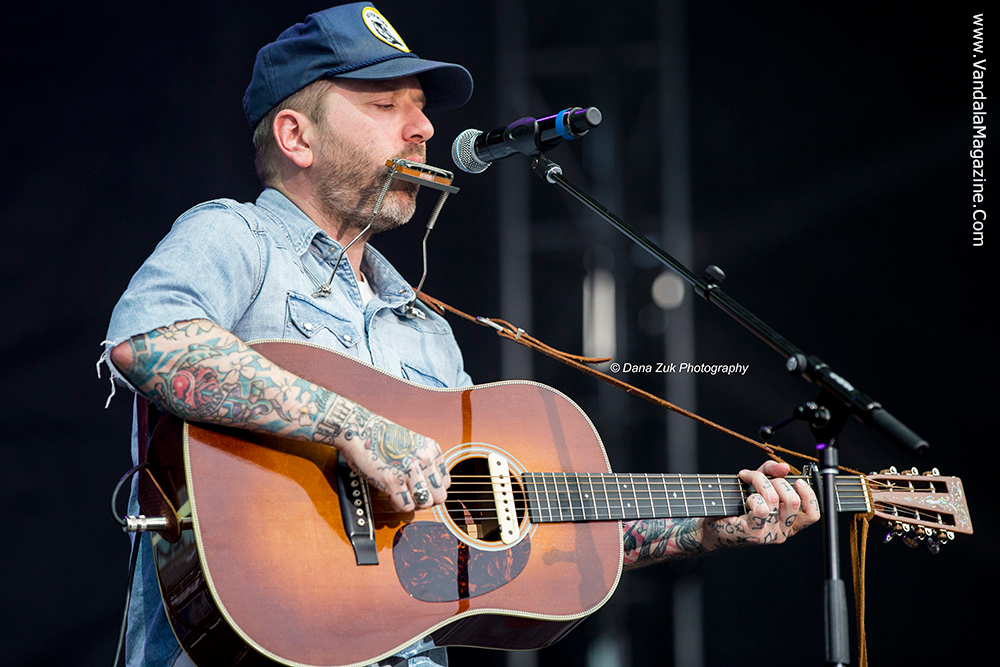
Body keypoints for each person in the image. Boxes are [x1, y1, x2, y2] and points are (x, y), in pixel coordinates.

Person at [102, 4, 819, 666]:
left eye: (420, 111)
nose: (422, 130)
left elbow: (530, 524)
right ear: (297, 136)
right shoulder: (236, 236)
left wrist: (714, 523)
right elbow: (149, 342)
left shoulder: (428, 330)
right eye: (386, 107)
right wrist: (353, 426)